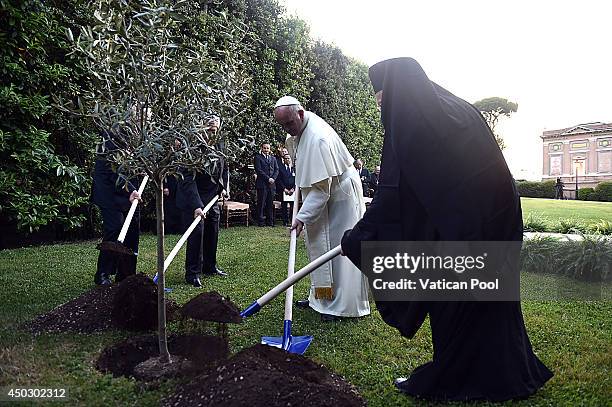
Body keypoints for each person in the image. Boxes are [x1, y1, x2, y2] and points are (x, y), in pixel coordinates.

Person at [341, 57, 552, 401]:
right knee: (491, 302)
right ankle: (507, 374)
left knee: (453, 304)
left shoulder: (411, 122)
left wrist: (359, 237)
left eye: (382, 101)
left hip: (468, 233)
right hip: (495, 223)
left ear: (398, 94)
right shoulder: (455, 112)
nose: (383, 110)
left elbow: (395, 194)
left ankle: (457, 379)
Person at [273, 96, 370, 321]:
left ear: (300, 113)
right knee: (318, 245)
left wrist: (301, 217)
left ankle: (341, 306)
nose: (288, 129)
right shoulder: (300, 130)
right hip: (324, 193)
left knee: (339, 249)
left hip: (340, 198)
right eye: (283, 125)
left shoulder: (318, 138)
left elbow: (320, 191)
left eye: (289, 123)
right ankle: (320, 297)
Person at [176, 116, 229, 287]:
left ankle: (210, 266)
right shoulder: (192, 149)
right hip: (193, 198)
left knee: (212, 231)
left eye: (216, 130)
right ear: (202, 128)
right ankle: (192, 273)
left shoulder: (220, 145)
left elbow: (224, 168)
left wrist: (223, 187)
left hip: (212, 196)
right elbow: (187, 180)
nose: (213, 134)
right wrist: (197, 205)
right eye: (210, 130)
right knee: (196, 234)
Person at [92, 130, 141, 285]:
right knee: (115, 228)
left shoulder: (139, 134)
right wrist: (131, 189)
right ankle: (103, 273)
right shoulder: (113, 136)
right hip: (109, 192)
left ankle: (126, 275)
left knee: (132, 229)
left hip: (127, 191)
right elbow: (114, 171)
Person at [254, 142, 279, 226]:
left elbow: (276, 169)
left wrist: (273, 178)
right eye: (264, 148)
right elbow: (258, 170)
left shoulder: (273, 158)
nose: (266, 150)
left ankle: (270, 222)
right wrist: (268, 179)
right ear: (261, 148)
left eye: (267, 148)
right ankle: (261, 222)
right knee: (261, 203)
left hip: (271, 184)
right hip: (262, 183)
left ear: (270, 149)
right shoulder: (257, 157)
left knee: (270, 203)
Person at [277, 154, 296, 226]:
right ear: (283, 160)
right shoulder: (280, 168)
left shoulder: (294, 168)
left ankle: (292, 220)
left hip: (292, 190)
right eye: (286, 158)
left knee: (292, 206)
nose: (287, 160)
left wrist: (293, 189)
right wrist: (284, 189)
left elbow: (297, 180)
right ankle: (285, 221)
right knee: (284, 206)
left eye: (288, 158)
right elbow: (279, 180)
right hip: (284, 190)